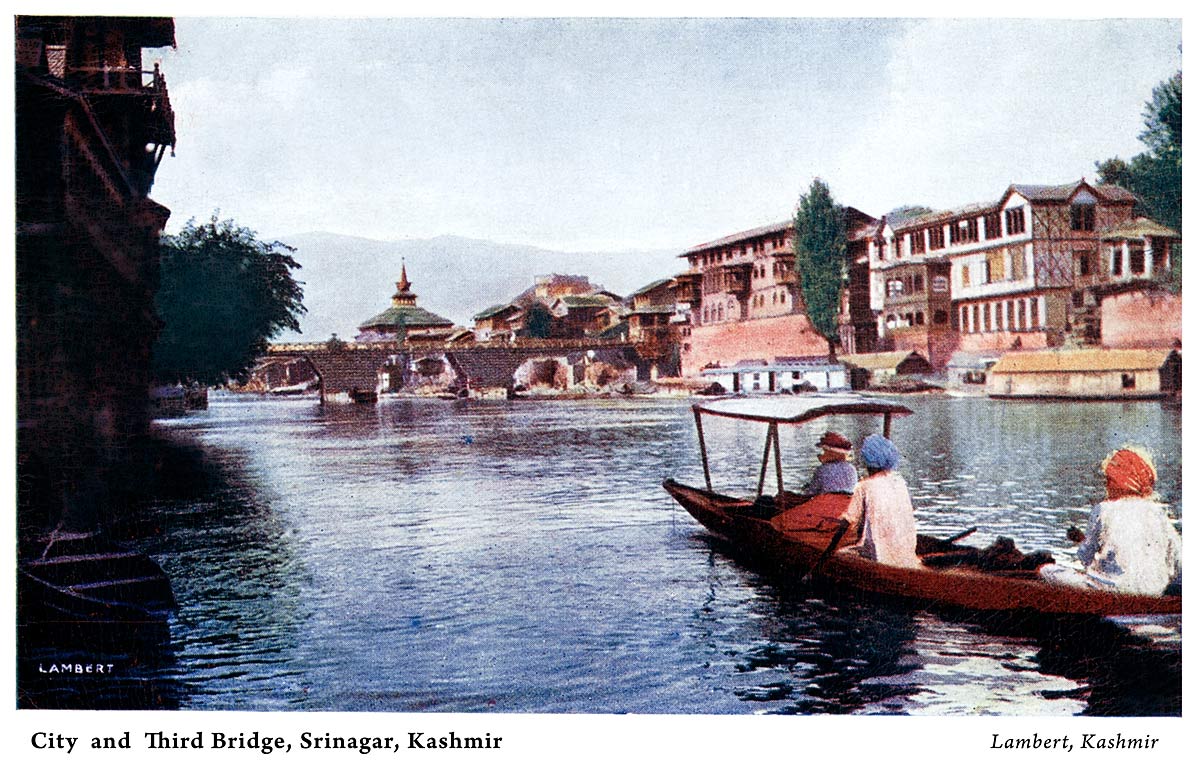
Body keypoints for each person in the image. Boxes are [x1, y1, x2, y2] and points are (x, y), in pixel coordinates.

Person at [1039, 446, 1182, 595]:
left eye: (1109, 479)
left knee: (1047, 570)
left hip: (1114, 589)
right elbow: (1179, 561)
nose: (1107, 484)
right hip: (1154, 591)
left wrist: (1083, 543)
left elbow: (1085, 557)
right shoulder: (1158, 513)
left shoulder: (1103, 509)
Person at [839, 434, 920, 568]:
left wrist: (830, 548)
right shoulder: (899, 482)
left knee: (842, 554)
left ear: (868, 462)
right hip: (906, 552)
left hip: (878, 554)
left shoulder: (864, 485)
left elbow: (848, 521)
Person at [802, 431, 859, 496]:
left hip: (826, 503)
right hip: (846, 503)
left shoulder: (822, 470)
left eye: (823, 451)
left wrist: (805, 489)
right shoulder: (852, 469)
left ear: (830, 453)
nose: (820, 454)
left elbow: (811, 493)